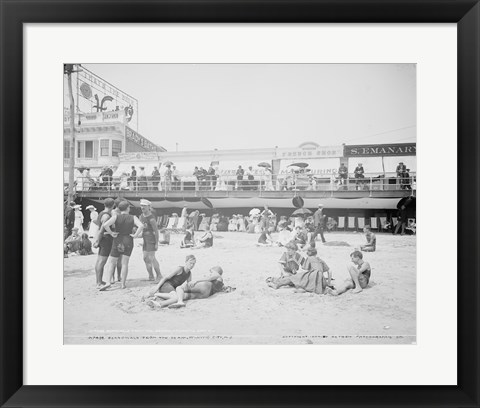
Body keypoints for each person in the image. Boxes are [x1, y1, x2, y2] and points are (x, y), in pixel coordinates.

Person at [99, 201, 144, 290]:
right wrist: (135, 235)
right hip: (128, 239)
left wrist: (111, 233)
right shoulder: (133, 217)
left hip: (118, 239)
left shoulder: (116, 216)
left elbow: (105, 225)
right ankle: (123, 283)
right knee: (125, 263)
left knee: (112, 262)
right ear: (128, 208)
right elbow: (141, 226)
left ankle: (108, 282)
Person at [151, 266, 225, 309]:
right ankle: (161, 304)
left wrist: (196, 280)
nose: (210, 273)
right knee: (182, 295)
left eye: (211, 272)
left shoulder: (217, 274)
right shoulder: (221, 283)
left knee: (180, 288)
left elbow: (209, 279)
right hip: (207, 294)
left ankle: (180, 302)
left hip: (206, 286)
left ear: (215, 270)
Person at [92, 198, 115, 288]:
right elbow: (101, 230)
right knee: (101, 262)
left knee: (99, 261)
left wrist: (96, 239)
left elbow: (98, 228)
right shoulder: (106, 216)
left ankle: (99, 280)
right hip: (105, 239)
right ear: (113, 205)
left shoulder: (101, 213)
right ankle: (99, 282)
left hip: (102, 238)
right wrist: (97, 241)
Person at [139, 199, 162, 281]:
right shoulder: (141, 216)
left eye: (144, 206)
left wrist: (156, 243)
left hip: (151, 239)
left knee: (152, 258)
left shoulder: (151, 218)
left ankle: (159, 275)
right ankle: (151, 276)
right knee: (145, 258)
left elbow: (156, 231)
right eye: (141, 205)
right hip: (145, 239)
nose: (142, 207)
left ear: (149, 207)